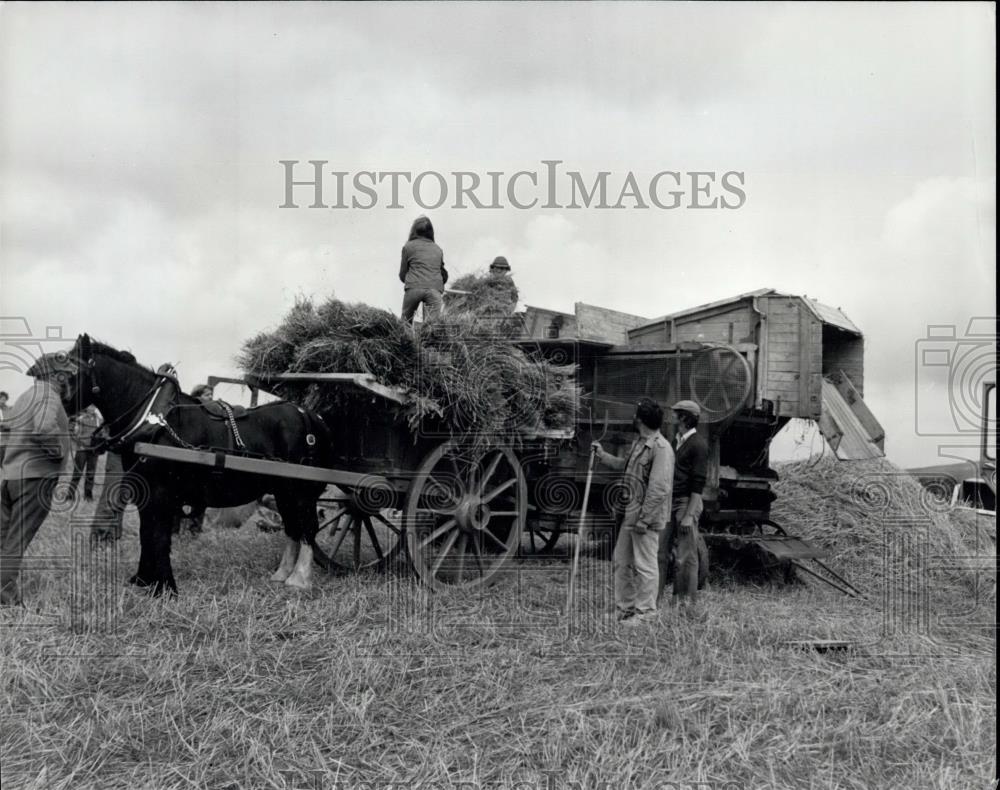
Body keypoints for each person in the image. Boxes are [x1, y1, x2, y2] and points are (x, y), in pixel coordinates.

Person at [592, 398, 674, 626]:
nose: (633, 418)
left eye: (636, 415)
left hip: (646, 517)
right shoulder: (640, 443)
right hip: (632, 512)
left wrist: (644, 519)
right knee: (621, 560)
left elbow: (659, 489)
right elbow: (624, 466)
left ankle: (646, 613)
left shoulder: (661, 449)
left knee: (646, 565)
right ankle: (625, 609)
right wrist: (602, 456)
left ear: (640, 420)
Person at [0, 357, 73, 606]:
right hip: (35, 479)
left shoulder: (24, 396)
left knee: (3, 538)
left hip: (11, 476)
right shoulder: (49, 396)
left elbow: (5, 431)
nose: (69, 381)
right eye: (66, 375)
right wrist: (59, 453)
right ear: (56, 376)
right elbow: (43, 428)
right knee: (15, 542)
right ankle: (6, 599)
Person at [658, 399, 709, 609]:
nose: (672, 417)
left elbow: (698, 483)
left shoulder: (698, 444)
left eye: (676, 414)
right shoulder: (676, 441)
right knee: (660, 552)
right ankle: (655, 598)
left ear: (684, 418)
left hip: (686, 502)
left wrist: (689, 514)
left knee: (685, 556)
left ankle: (684, 603)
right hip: (670, 502)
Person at [399, 216, 448, 324]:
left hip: (414, 287)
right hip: (434, 289)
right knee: (430, 328)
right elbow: (443, 273)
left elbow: (402, 274)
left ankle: (407, 340)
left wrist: (411, 281)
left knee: (405, 323)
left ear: (413, 230)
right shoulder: (438, 249)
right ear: (431, 232)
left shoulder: (408, 247)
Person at [68, 404, 102, 500]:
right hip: (81, 449)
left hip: (93, 450)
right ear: (87, 408)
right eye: (90, 406)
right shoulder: (80, 419)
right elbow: (71, 431)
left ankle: (88, 495)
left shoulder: (98, 420)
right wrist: (79, 442)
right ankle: (70, 495)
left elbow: (103, 430)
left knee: (91, 474)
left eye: (94, 407)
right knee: (77, 473)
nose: (92, 408)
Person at [0, 391, 9, 469]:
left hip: (6, 438)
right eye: (1, 399)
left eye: (4, 399)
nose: (3, 401)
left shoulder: (7, 409)